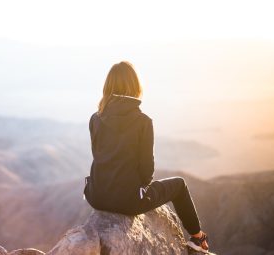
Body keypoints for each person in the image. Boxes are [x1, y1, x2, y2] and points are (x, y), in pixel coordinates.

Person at [83, 61, 209, 253]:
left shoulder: (95, 118)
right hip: (129, 201)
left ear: (107, 87)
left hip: (96, 196)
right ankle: (198, 238)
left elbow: (99, 156)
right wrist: (137, 189)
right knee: (180, 185)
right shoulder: (143, 122)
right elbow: (147, 172)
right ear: (135, 86)